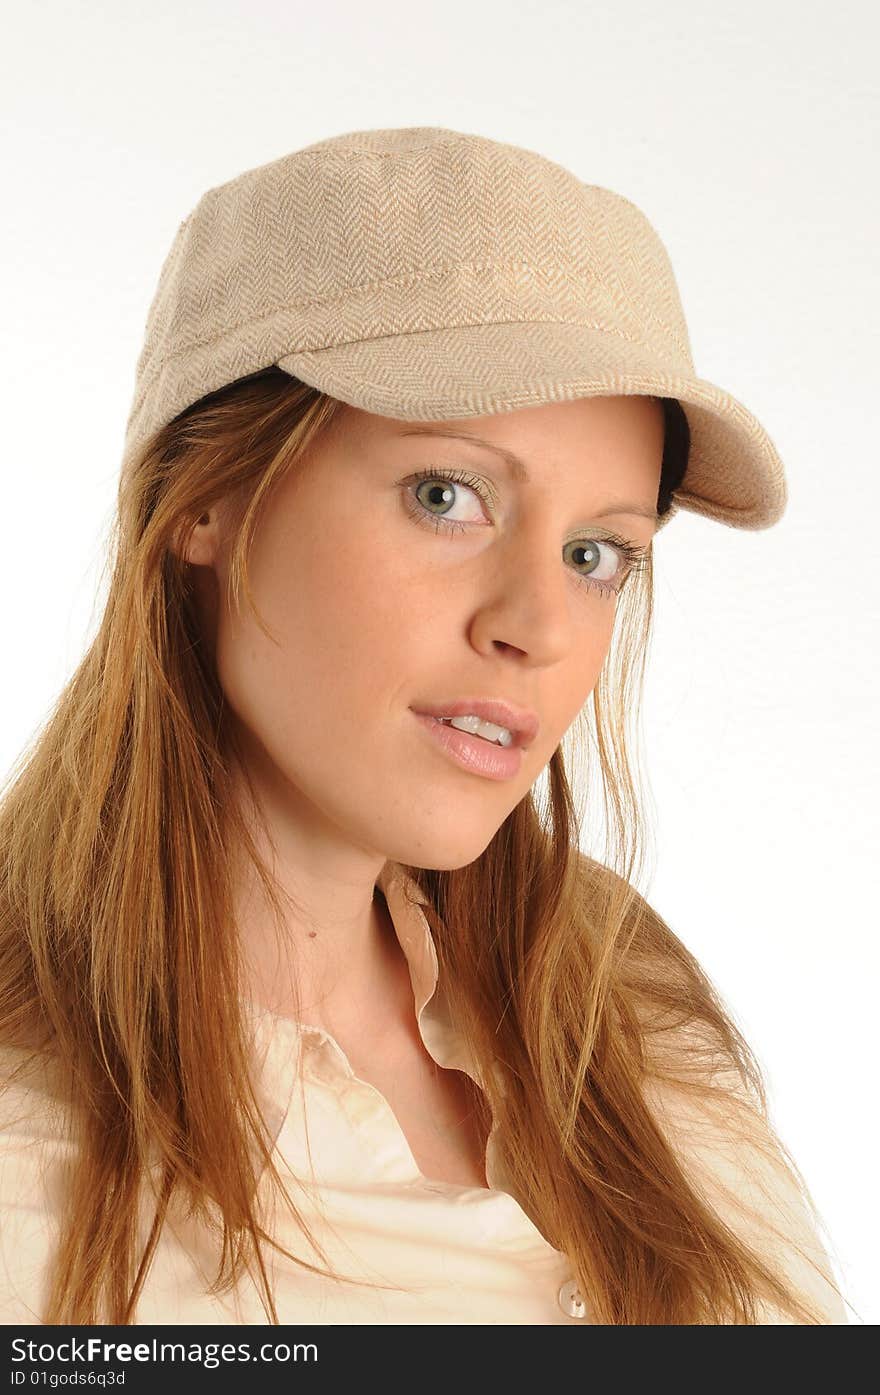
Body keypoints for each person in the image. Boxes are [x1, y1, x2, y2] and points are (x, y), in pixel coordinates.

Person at [0, 126, 850, 1325]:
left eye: (595, 554)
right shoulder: (30, 1149)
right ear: (207, 497)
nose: (539, 628)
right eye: (446, 496)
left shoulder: (628, 1017)